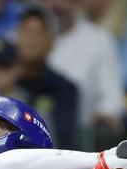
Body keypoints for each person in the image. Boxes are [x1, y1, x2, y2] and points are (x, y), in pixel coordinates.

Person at [44, 0, 124, 135]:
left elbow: (112, 100)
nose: (57, 5)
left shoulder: (99, 40)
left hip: (79, 134)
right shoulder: (24, 35)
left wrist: (101, 118)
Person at [15, 4, 79, 151]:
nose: (31, 39)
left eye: (38, 33)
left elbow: (65, 141)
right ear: (17, 38)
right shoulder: (7, 83)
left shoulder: (65, 89)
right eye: (26, 32)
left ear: (51, 41)